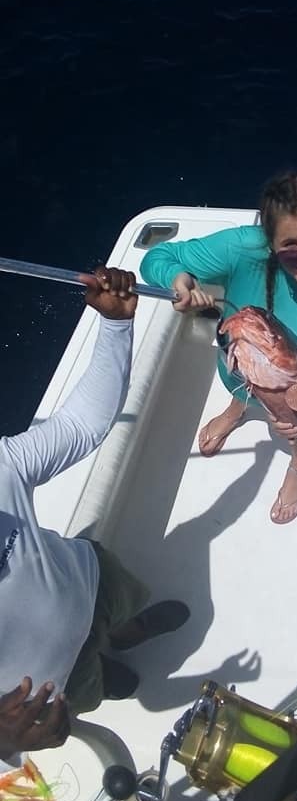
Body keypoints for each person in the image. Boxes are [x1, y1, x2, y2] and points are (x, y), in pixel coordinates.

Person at [0, 267, 189, 770]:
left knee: (127, 607)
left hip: (94, 582)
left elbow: (80, 425)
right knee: (100, 687)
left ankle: (129, 632)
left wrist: (114, 326)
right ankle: (109, 669)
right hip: (51, 685)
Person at [141, 172, 297, 524]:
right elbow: (156, 258)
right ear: (270, 241)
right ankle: (238, 409)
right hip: (237, 368)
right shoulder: (241, 249)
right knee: (242, 385)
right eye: (291, 248)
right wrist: (178, 280)